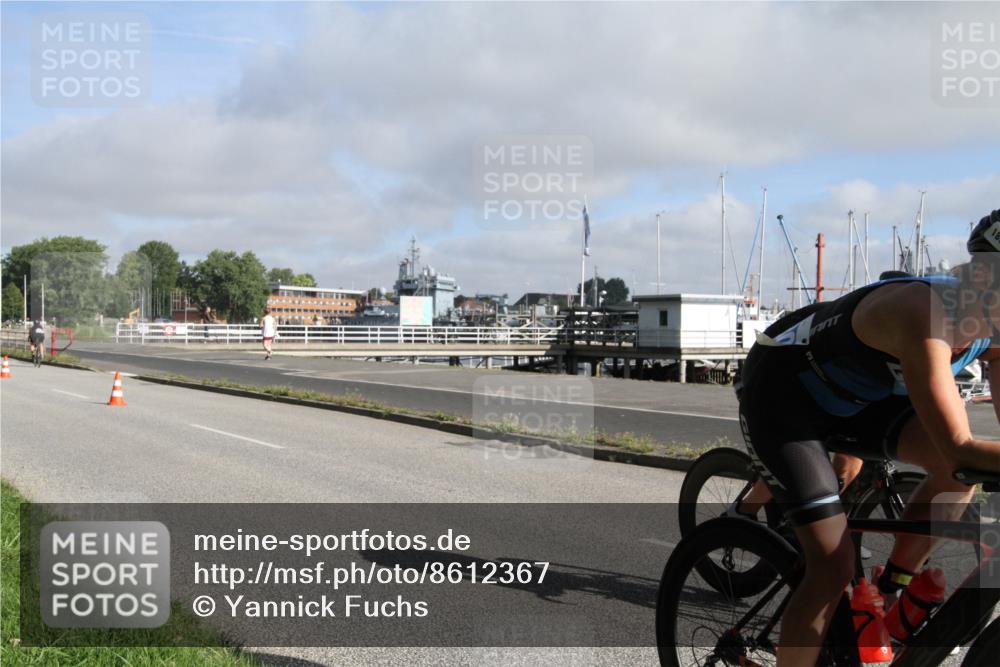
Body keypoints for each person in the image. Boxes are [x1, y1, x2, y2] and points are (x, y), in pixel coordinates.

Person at [737, 209, 1000, 666]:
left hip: (862, 402)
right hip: (784, 397)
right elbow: (960, 446)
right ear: (981, 274)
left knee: (956, 476)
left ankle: (890, 596)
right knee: (831, 566)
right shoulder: (925, 313)